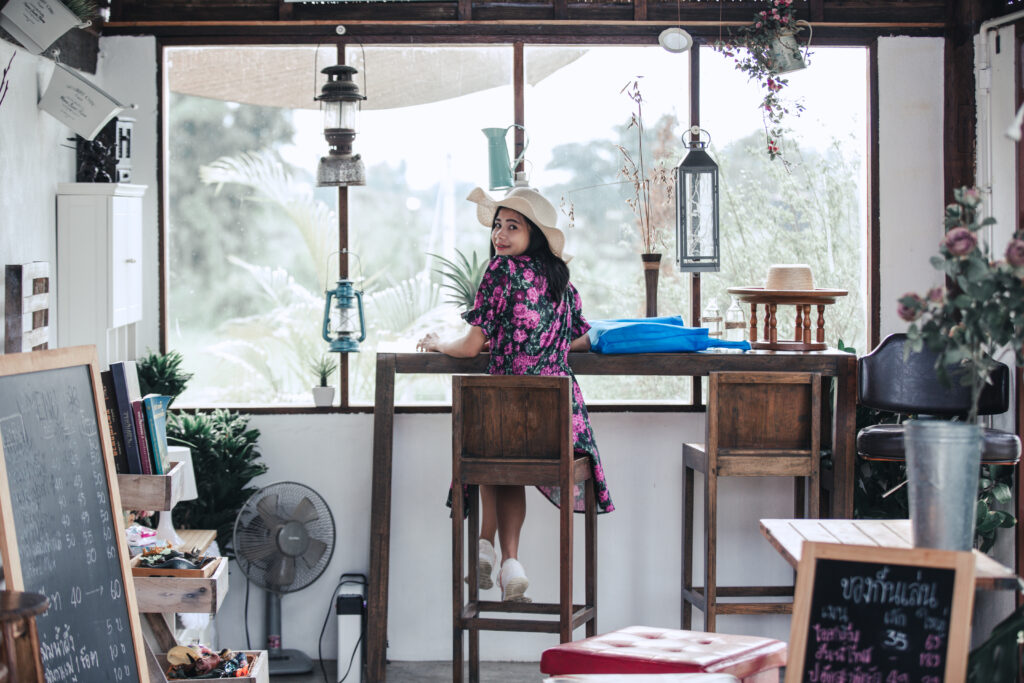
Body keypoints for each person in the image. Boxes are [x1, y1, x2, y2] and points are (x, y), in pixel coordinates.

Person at [417, 185, 614, 603]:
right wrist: (526, 340)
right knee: (508, 455)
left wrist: (438, 343)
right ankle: (508, 563)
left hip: (506, 410)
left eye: (512, 226)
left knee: (493, 450)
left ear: (534, 234)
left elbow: (469, 347)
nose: (500, 235)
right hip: (561, 421)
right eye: (497, 226)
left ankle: (488, 547)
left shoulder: (500, 272)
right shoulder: (561, 278)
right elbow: (579, 340)